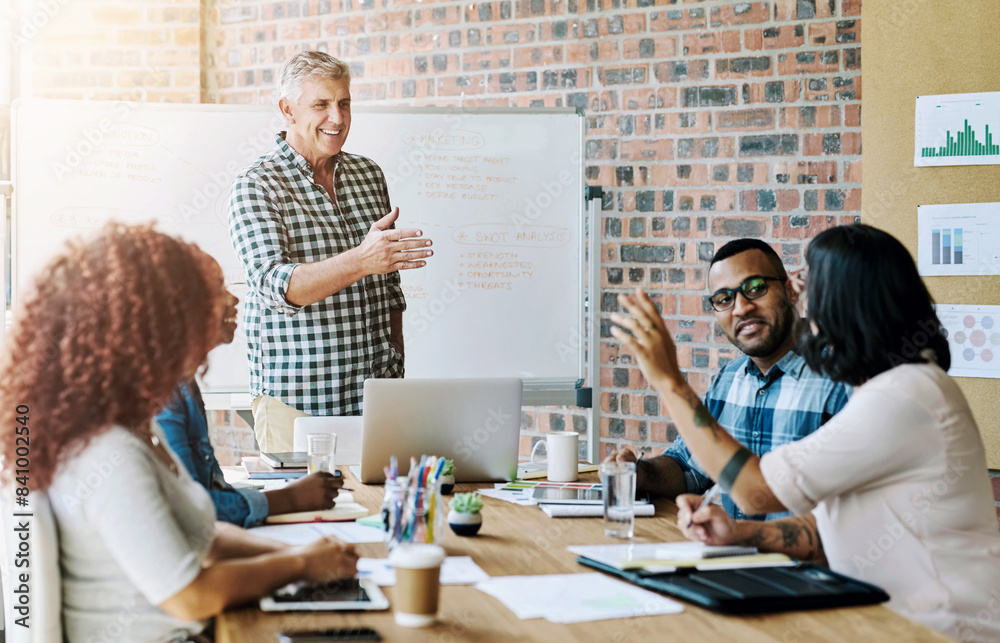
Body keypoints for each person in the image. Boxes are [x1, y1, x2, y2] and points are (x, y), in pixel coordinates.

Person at [611, 224, 1000, 641]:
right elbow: (825, 531)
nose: (799, 296)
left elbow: (756, 491)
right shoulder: (895, 388)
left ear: (846, 304)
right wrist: (739, 532)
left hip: (936, 630)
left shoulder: (902, 398)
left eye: (808, 285)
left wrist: (669, 381)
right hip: (872, 617)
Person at [0, 224, 358, 642]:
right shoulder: (107, 454)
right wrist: (301, 566)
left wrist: (300, 555)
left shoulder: (124, 428)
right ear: (152, 332)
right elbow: (190, 596)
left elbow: (203, 536)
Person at [229, 50, 433, 452]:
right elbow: (276, 287)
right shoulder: (258, 185)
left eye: (343, 103)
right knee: (309, 515)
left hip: (377, 400)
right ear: (287, 110)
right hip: (299, 406)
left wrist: (395, 367)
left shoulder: (368, 174)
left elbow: (389, 286)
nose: (337, 118)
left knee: (378, 511)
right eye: (320, 105)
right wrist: (361, 260)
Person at [605, 238, 850, 520]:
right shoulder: (729, 378)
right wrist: (637, 472)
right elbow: (691, 467)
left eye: (755, 288)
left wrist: (669, 380)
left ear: (790, 291)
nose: (741, 308)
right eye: (724, 299)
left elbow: (843, 514)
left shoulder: (842, 376)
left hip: (805, 561)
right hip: (732, 555)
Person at [155, 286, 344, 528]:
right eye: (216, 287)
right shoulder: (164, 397)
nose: (234, 298)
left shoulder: (186, 386)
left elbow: (211, 489)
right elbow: (196, 511)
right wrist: (291, 498)